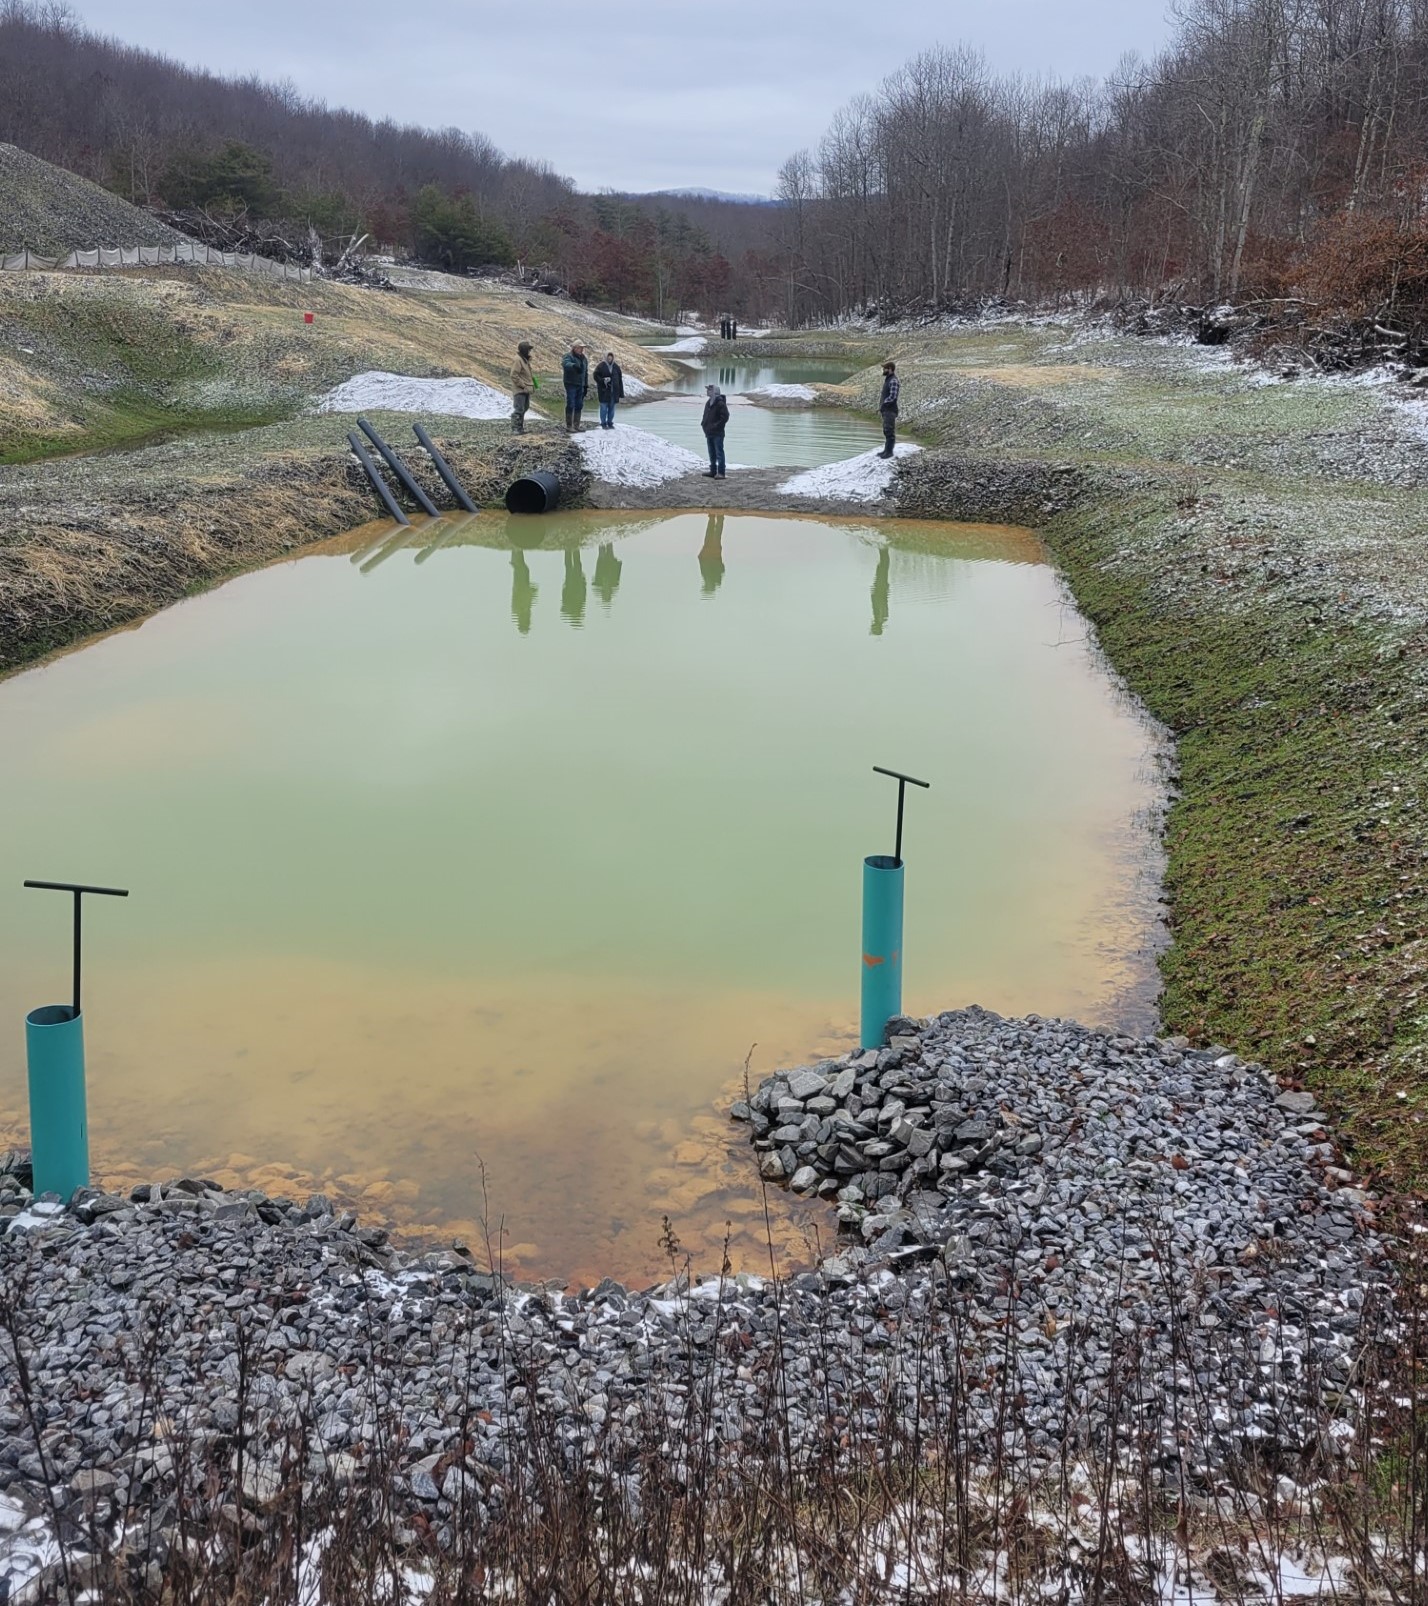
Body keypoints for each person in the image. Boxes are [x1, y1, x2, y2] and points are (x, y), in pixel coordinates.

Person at [701, 382, 729, 478]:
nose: (707, 391)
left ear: (714, 391)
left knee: (719, 453)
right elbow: (705, 416)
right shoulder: (709, 403)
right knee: (711, 453)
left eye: (709, 390)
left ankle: (721, 472)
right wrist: (703, 424)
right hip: (709, 432)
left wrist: (716, 426)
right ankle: (713, 471)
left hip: (718, 433)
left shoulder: (720, 403)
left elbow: (725, 417)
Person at [561, 342, 589, 432]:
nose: (582, 349)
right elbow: (565, 364)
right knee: (571, 403)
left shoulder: (584, 359)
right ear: (574, 348)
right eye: (580, 347)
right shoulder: (568, 356)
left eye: (582, 348)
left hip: (580, 384)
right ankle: (569, 426)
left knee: (579, 404)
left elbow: (585, 372)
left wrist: (586, 385)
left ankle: (576, 425)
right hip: (571, 383)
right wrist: (573, 365)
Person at [593, 351, 624, 429]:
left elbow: (620, 379)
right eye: (608, 357)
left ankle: (610, 422)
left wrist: (621, 392)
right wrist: (602, 380)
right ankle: (603, 423)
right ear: (606, 357)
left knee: (612, 408)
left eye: (611, 358)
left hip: (614, 392)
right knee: (603, 408)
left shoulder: (616, 367)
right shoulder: (600, 366)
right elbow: (595, 376)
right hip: (604, 391)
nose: (610, 359)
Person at [510, 341, 535, 434]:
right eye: (528, 349)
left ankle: (520, 428)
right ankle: (515, 428)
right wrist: (523, 385)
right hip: (520, 389)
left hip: (525, 389)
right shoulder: (518, 359)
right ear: (524, 350)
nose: (529, 351)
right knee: (519, 409)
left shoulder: (524, 359)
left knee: (525, 408)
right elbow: (513, 375)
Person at [877, 360, 900, 458]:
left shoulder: (893, 381)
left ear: (890, 369)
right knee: (886, 430)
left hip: (890, 410)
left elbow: (893, 396)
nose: (883, 370)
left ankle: (889, 452)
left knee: (889, 431)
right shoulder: (888, 379)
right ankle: (886, 451)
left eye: (884, 368)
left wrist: (884, 404)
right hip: (886, 410)